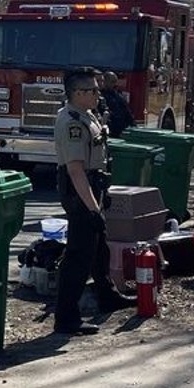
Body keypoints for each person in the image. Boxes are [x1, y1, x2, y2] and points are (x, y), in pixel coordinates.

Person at [53, 67, 136, 336]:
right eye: (92, 90)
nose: (98, 94)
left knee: (99, 248)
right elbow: (76, 170)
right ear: (77, 93)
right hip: (80, 192)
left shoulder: (87, 114)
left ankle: (107, 295)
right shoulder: (72, 123)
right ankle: (66, 318)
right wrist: (91, 209)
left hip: (93, 186)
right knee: (79, 255)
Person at [100, 71, 135, 138]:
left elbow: (127, 112)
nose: (115, 84)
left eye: (115, 81)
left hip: (121, 131)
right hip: (109, 131)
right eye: (112, 82)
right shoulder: (100, 97)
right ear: (105, 81)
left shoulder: (118, 96)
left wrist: (133, 125)